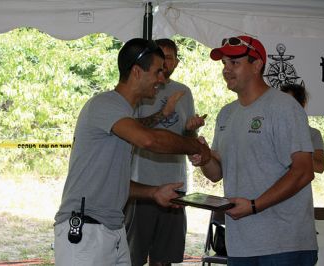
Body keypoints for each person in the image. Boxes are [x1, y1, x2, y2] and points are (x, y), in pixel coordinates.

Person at [53, 38, 211, 266]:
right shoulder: (105, 104)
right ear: (137, 71)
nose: (162, 78)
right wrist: (195, 147)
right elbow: (149, 140)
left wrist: (154, 192)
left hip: (113, 229)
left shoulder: (126, 114)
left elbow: (115, 182)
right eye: (157, 71)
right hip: (86, 229)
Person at [191, 35, 318, 265]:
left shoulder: (283, 107)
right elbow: (216, 173)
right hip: (241, 245)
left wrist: (254, 205)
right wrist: (205, 157)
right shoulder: (226, 114)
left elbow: (303, 171)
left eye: (234, 63)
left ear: (257, 65)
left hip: (285, 244)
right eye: (224, 64)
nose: (226, 70)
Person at [125, 38, 206, 266]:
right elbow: (130, 131)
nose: (164, 64)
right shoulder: (141, 87)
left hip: (175, 184)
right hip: (141, 183)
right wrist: (163, 111)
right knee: (134, 255)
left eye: (169, 58)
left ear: (176, 62)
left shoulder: (184, 92)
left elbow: (185, 140)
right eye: (160, 58)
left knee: (164, 257)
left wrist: (191, 130)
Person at [280, 83, 324, 173]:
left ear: (302, 104)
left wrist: (293, 155)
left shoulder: (313, 133)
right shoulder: (270, 130)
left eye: (289, 102)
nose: (283, 107)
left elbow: (320, 167)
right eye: (281, 102)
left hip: (300, 186)